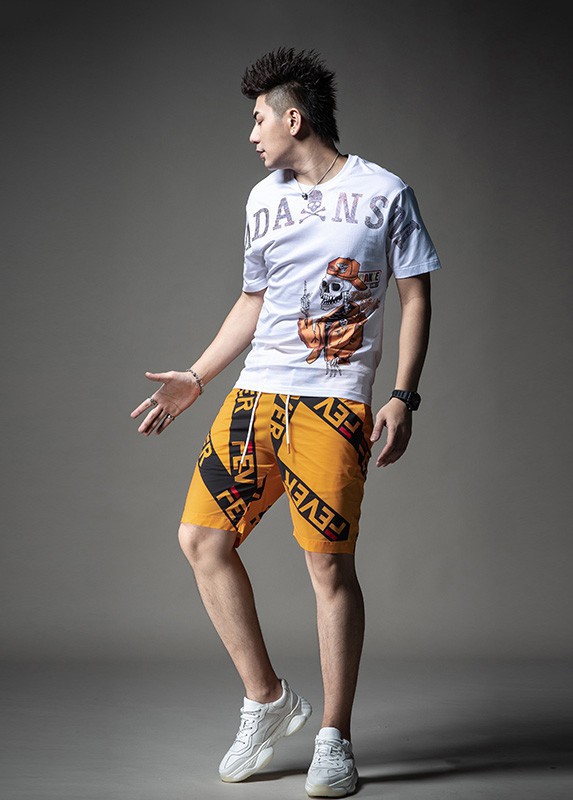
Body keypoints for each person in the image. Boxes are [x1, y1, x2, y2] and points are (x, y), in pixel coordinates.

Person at [130, 47, 441, 798]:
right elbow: (254, 301)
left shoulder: (385, 193)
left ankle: (334, 737)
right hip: (255, 400)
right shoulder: (261, 199)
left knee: (328, 568)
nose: (252, 135)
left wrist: (403, 396)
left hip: (332, 406)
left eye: (258, 119)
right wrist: (198, 376)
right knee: (201, 539)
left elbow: (415, 298)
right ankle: (268, 700)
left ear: (293, 118)